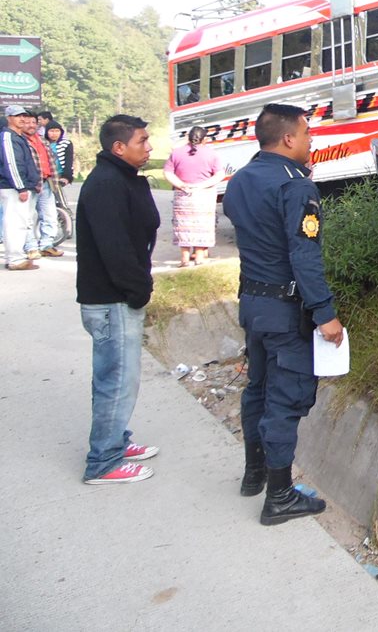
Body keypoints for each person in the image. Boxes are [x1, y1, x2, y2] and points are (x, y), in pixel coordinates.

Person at [223, 103, 345, 526]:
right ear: (289, 138)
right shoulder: (295, 186)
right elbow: (303, 255)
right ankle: (279, 497)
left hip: (253, 305)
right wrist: (325, 313)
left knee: (256, 389)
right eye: (308, 134)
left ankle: (254, 474)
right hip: (284, 309)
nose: (312, 142)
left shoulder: (240, 180)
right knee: (284, 398)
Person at [76, 114, 161, 484]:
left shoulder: (120, 179)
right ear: (118, 147)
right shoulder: (106, 184)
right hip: (112, 301)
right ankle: (104, 462)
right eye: (142, 141)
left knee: (116, 377)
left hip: (116, 298)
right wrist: (137, 290)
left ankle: (115, 440)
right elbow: (116, 249)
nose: (149, 147)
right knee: (117, 379)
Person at [163, 126, 223, 267]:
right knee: (202, 226)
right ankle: (199, 257)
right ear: (205, 139)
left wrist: (181, 184)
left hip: (183, 195)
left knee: (183, 227)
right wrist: (202, 185)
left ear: (188, 138)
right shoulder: (211, 154)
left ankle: (184, 258)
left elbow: (167, 172)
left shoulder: (177, 153)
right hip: (204, 195)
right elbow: (219, 174)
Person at [2, 105, 40, 271]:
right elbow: (12, 164)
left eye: (24, 116)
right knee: (15, 223)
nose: (22, 119)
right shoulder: (8, 137)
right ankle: (15, 259)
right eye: (18, 116)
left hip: (22, 187)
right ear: (9, 118)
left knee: (23, 222)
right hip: (13, 187)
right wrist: (21, 187)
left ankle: (17, 256)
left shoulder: (19, 137)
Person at [21, 110, 64, 258]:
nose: (31, 125)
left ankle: (46, 245)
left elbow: (51, 160)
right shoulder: (19, 140)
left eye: (34, 122)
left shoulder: (42, 140)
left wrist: (56, 180)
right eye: (27, 122)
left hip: (46, 183)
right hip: (29, 184)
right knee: (27, 217)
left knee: (50, 216)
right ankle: (30, 247)